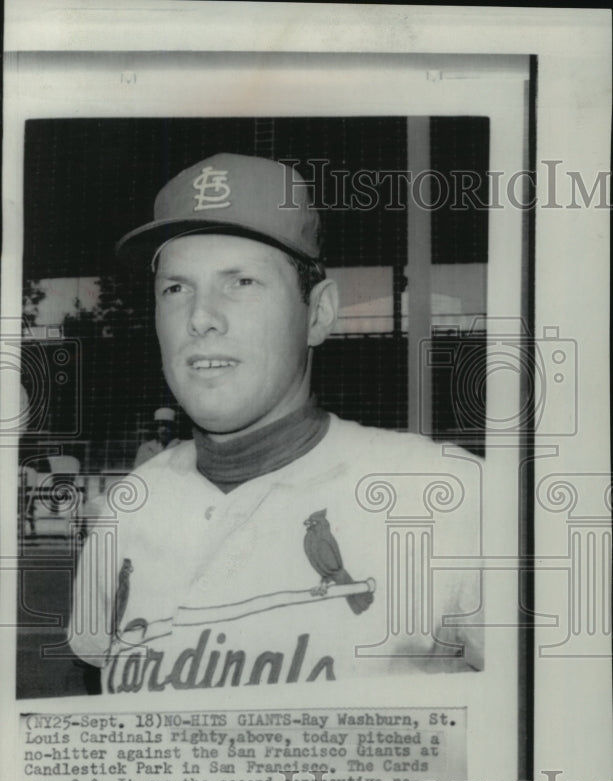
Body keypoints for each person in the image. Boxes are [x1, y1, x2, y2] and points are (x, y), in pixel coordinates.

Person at [69, 152, 484, 695]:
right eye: (176, 288)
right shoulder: (129, 508)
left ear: (318, 313)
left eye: (240, 282)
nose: (199, 317)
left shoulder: (449, 496)